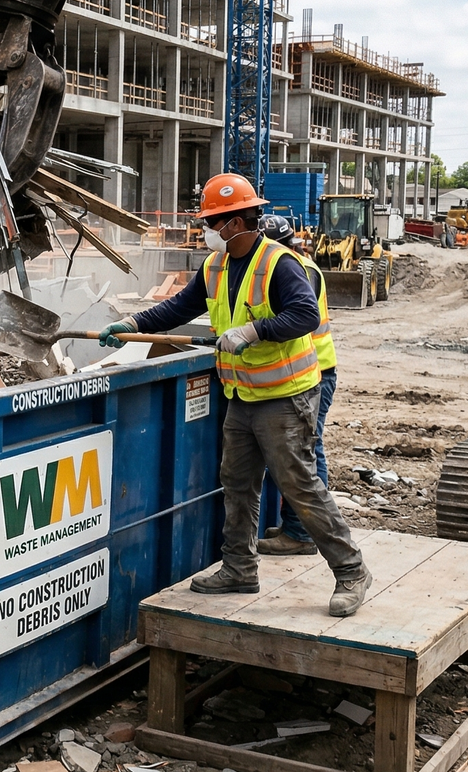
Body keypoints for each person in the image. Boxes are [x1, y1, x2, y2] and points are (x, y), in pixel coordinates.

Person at [98, 174, 370, 616]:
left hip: (285, 396)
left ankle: (351, 570)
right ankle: (239, 567)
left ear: (238, 222)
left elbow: (303, 314)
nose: (207, 229)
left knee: (299, 486)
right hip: (242, 395)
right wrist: (133, 325)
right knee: (237, 485)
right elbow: (179, 307)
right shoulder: (215, 266)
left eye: (213, 222)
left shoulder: (279, 264)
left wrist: (254, 330)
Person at [254, 215, 339, 557]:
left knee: (306, 451)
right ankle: (294, 524)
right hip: (308, 371)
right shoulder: (299, 265)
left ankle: (302, 532)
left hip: (312, 373)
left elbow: (296, 317)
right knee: (297, 450)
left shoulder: (297, 270)